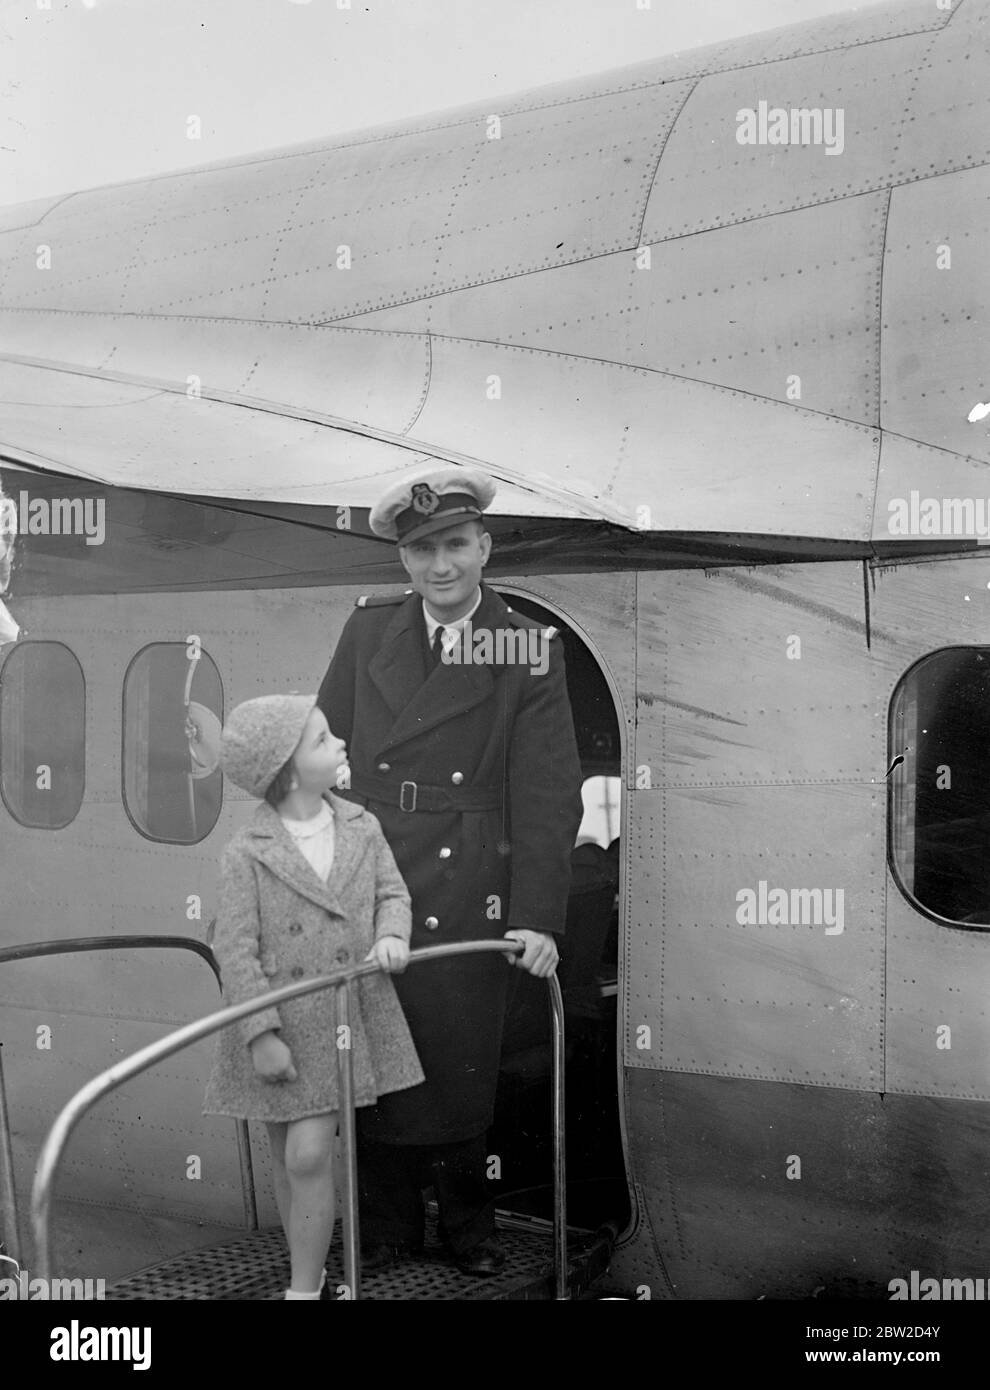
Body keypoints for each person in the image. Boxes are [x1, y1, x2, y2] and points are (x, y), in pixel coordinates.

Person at [317, 466, 583, 1275]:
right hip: (376, 867)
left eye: (456, 545)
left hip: (473, 874)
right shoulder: (369, 633)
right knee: (375, 1054)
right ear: (403, 559)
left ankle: (470, 1229)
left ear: (485, 548)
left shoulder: (523, 646)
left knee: (463, 1057)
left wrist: (537, 912)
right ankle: (388, 1229)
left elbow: (546, 790)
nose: (440, 566)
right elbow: (320, 751)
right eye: (422, 549)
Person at [203, 693, 424, 1299]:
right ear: (288, 769)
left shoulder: (362, 826)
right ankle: (316, 1268)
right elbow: (235, 948)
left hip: (339, 1016)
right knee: (287, 1156)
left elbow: (392, 896)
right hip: (274, 1020)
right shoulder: (247, 852)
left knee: (305, 1155)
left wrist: (391, 936)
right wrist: (261, 1035)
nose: (341, 745)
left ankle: (303, 1288)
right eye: (324, 740)